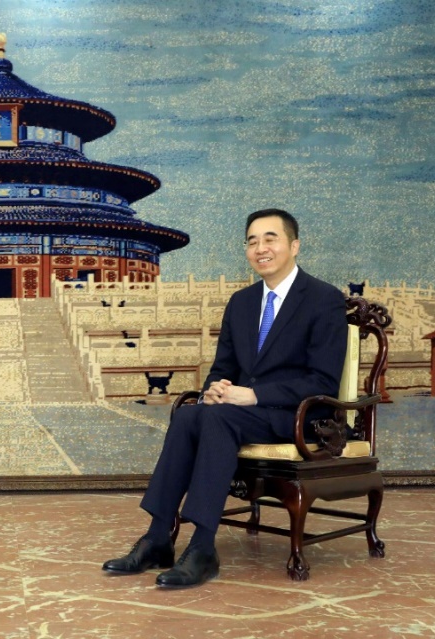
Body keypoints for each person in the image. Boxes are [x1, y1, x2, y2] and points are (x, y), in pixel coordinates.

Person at [102, 209, 347, 588]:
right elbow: (223, 367)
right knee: (189, 414)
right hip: (243, 413)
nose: (260, 248)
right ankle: (157, 537)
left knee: (218, 418)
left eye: (270, 239)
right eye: (252, 241)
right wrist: (214, 389)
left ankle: (202, 547)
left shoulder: (323, 299)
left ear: (294, 245)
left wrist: (254, 395)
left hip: (297, 416)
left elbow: (323, 381)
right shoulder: (242, 302)